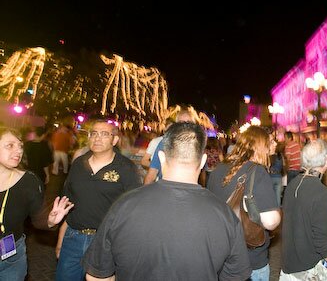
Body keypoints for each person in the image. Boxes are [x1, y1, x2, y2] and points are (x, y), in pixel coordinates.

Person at [82, 122, 251, 280]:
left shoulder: (124, 205)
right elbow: (236, 276)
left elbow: (97, 274)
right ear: (204, 161)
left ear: (161, 157)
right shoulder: (224, 214)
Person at [54, 119, 142, 281]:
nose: (97, 138)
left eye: (104, 134)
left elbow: (134, 211)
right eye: (93, 133)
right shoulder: (79, 164)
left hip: (105, 242)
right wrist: (60, 240)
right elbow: (67, 205)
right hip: (73, 238)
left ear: (115, 140)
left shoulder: (126, 168)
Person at [207, 126, 281, 281]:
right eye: (272, 141)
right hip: (250, 259)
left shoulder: (219, 169)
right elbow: (271, 222)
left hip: (221, 254)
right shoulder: (258, 172)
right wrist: (279, 214)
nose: (276, 144)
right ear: (261, 146)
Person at [0, 127, 73, 280]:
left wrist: (51, 221)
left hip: (10, 256)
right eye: (10, 145)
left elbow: (39, 220)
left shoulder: (29, 181)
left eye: (20, 146)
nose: (18, 151)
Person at [280, 139, 327, 281]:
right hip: (307, 272)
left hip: (289, 268)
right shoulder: (321, 193)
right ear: (326, 161)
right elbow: (323, 243)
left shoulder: (293, 185)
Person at [144, 105, 213, 184]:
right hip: (166, 190)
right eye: (181, 124)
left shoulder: (198, 143)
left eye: (188, 124)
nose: (185, 127)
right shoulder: (165, 143)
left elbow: (202, 172)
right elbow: (151, 174)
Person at [269, 139, 284, 207]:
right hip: (279, 177)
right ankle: (278, 210)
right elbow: (283, 166)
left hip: (271, 177)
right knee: (278, 197)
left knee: (271, 195)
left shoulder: (271, 157)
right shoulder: (280, 157)